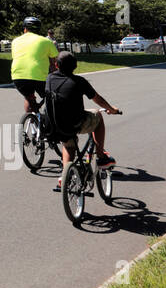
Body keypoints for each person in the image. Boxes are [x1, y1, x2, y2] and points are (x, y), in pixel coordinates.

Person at [44, 51, 120, 188]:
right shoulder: (79, 81)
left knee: (68, 145)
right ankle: (102, 156)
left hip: (56, 124)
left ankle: (65, 175)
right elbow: (98, 99)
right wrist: (112, 109)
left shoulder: (49, 79)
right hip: (75, 123)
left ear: (56, 65)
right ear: (76, 66)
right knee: (97, 115)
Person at [10, 17, 58, 115]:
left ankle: (32, 122)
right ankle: (50, 119)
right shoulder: (46, 41)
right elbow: (55, 61)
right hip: (40, 77)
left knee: (29, 96)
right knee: (52, 97)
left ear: (25, 29)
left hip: (18, 77)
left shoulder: (15, 41)